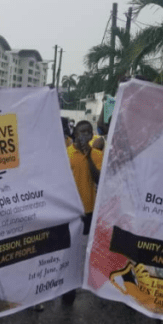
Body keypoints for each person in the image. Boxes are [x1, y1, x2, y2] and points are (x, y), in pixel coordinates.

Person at [64, 120, 104, 305]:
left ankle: (84, 286)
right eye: (81, 132)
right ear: (75, 134)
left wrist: (88, 157)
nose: (85, 135)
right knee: (69, 252)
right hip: (71, 212)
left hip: (90, 211)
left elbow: (99, 179)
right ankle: (67, 288)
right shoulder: (66, 154)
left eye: (88, 132)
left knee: (86, 252)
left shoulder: (96, 155)